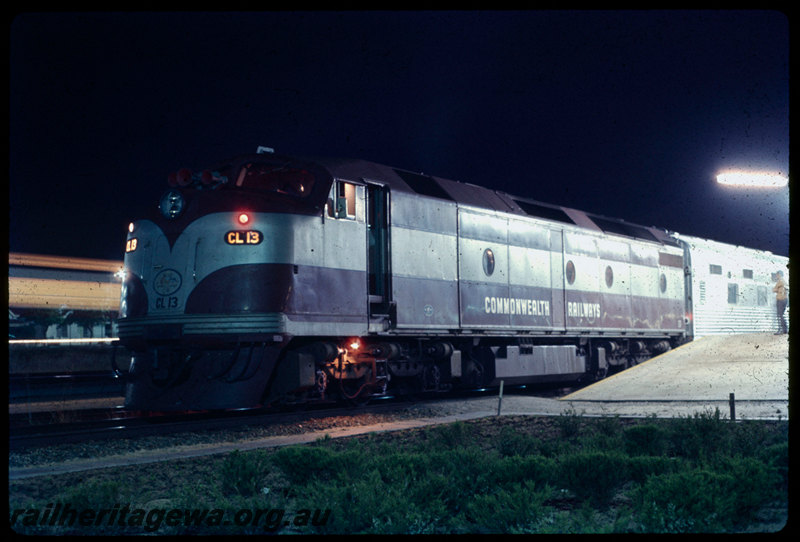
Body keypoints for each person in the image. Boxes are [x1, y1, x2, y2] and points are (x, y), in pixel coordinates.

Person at [773, 270, 788, 335]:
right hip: (784, 299)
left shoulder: (780, 281)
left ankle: (781, 329)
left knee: (779, 315)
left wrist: (777, 289)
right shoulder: (784, 281)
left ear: (779, 275)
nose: (776, 276)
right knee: (781, 315)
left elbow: (774, 289)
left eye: (777, 275)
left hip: (780, 300)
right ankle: (785, 329)